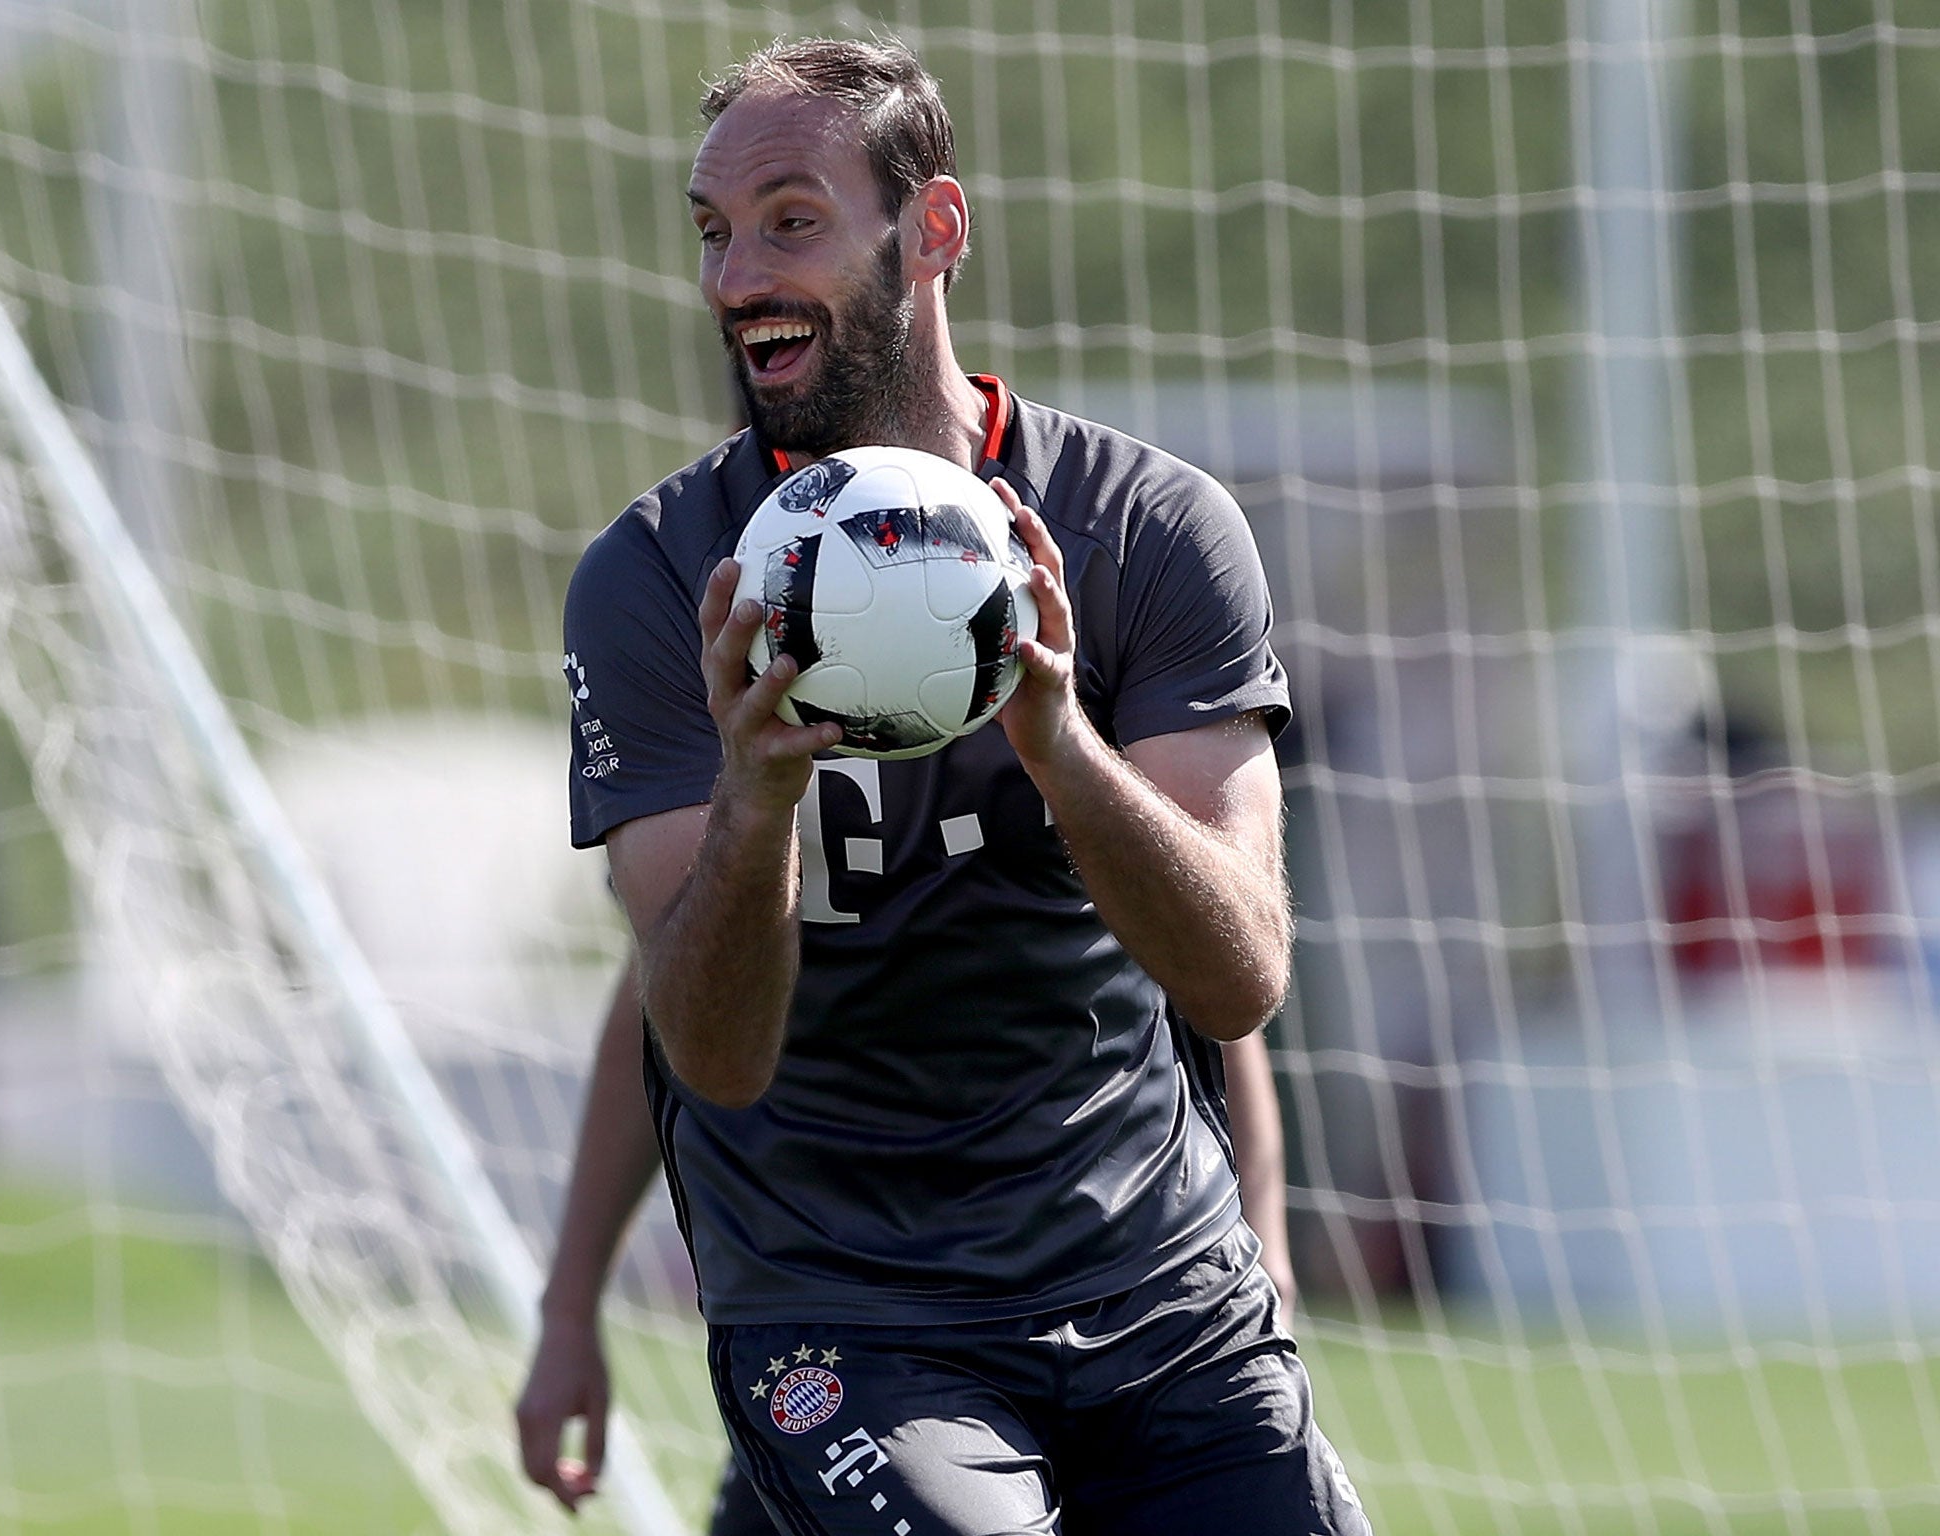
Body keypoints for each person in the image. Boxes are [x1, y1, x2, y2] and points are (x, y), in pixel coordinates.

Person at [544, 35, 1368, 1532]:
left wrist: (1060, 743)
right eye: (714, 233)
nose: (737, 277)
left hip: (1155, 1291)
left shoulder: (1144, 533)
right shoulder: (661, 581)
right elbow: (696, 1043)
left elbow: (1233, 979)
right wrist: (757, 801)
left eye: (792, 218)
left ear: (932, 230)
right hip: (851, 1317)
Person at [516, 960, 1303, 1530]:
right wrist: (570, 1312)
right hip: (854, 1319)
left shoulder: (1087, 745)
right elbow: (663, 988)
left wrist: (1259, 1249)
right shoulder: (722, 756)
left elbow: (1206, 966)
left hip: (1123, 1297)